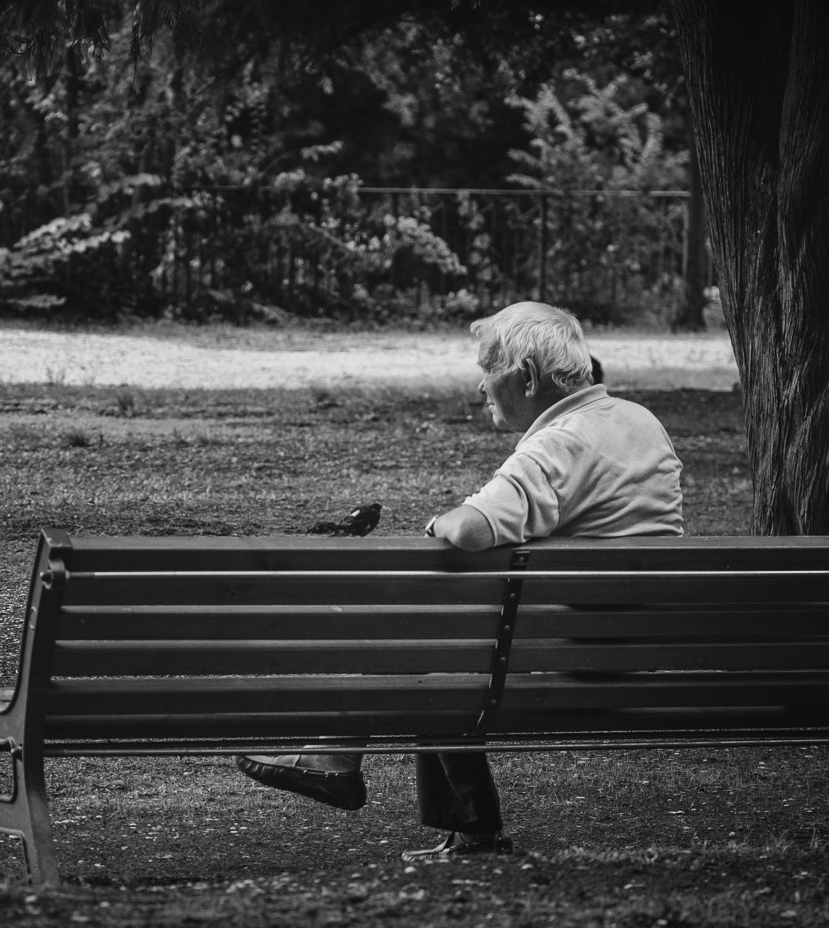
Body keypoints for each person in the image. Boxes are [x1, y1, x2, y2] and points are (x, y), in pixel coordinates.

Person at [238, 301, 684, 859]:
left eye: (487, 368)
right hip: (643, 644)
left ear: (524, 374)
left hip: (574, 658)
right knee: (438, 643)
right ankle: (354, 765)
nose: (480, 386)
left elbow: (469, 529)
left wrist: (438, 521)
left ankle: (338, 755)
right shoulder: (640, 421)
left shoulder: (558, 444)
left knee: (434, 631)